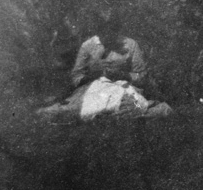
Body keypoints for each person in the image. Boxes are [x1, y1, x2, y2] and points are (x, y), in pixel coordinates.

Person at [41, 14, 170, 121]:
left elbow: (141, 75)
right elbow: (76, 76)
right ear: (97, 32)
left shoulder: (130, 45)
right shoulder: (88, 46)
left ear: (117, 31)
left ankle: (109, 113)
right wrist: (94, 74)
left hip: (124, 87)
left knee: (133, 106)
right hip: (95, 88)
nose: (106, 37)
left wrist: (123, 75)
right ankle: (100, 113)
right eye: (102, 33)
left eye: (111, 32)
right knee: (75, 110)